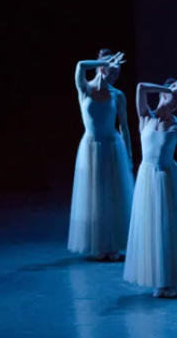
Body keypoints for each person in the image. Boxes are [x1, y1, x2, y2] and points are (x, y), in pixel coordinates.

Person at [123, 77, 177, 298]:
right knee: (152, 229)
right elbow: (140, 87)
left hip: (169, 178)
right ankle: (160, 279)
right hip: (148, 179)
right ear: (162, 95)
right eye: (172, 98)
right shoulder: (145, 117)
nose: (174, 103)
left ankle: (172, 280)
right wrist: (169, 88)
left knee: (169, 229)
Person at [68, 50, 133, 261]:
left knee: (112, 195)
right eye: (113, 72)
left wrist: (130, 156)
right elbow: (79, 65)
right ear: (102, 68)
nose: (115, 77)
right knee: (95, 196)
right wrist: (103, 61)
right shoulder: (85, 89)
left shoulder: (117, 95)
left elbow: (124, 126)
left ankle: (113, 244)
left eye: (117, 74)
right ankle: (98, 244)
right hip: (91, 146)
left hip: (113, 146)